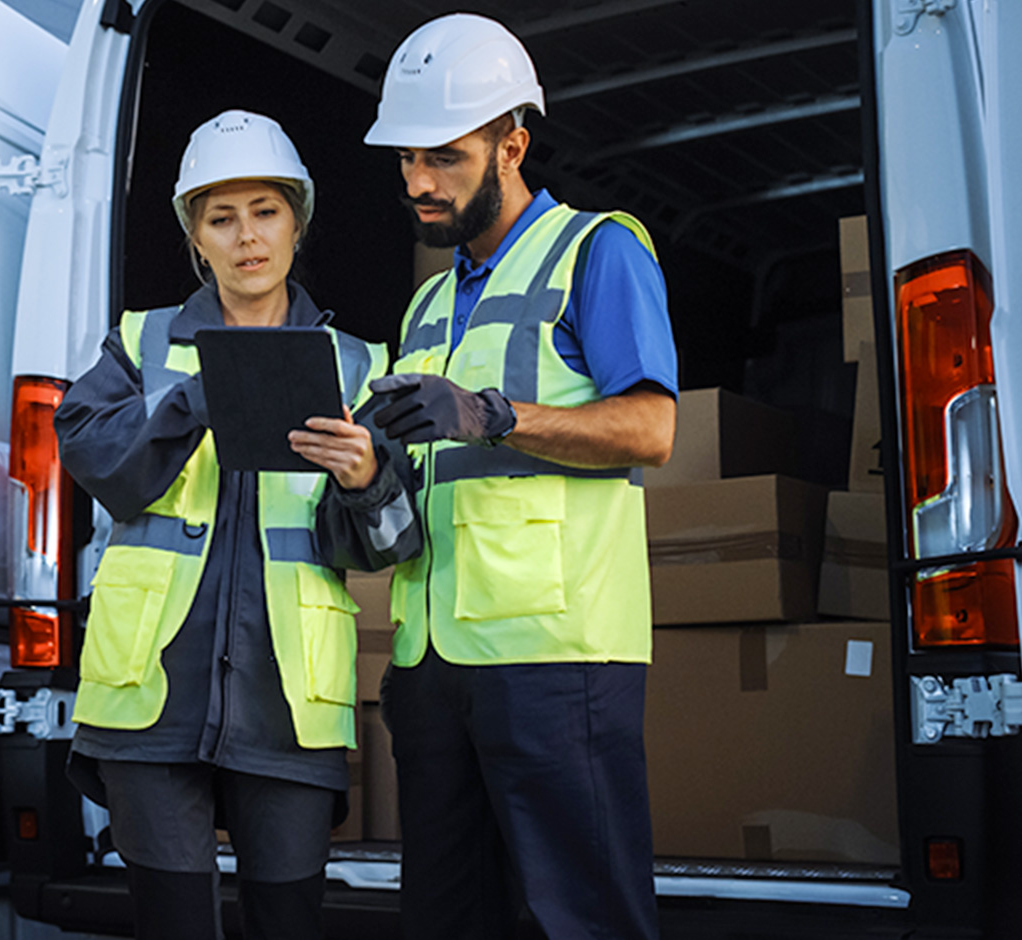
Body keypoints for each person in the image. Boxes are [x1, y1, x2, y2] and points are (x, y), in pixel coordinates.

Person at [356, 14, 679, 940]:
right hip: (427, 664)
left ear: (513, 144)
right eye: (407, 159)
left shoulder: (597, 251)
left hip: (557, 661)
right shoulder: (424, 301)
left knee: (577, 920)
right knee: (448, 921)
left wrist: (498, 415)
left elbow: (652, 429)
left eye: (446, 158)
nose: (420, 181)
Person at [53, 109, 414, 940]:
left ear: (298, 223)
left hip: (286, 707)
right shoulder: (141, 344)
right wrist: (193, 397)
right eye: (221, 217)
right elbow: (96, 462)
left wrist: (365, 479)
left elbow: (395, 544)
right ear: (194, 236)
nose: (246, 237)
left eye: (265, 211)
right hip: (149, 702)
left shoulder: (360, 364)